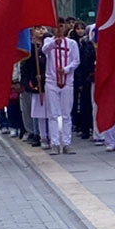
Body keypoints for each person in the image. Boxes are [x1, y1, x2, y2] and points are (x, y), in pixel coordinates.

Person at [41, 25, 81, 154]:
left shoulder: (72, 43)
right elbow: (45, 50)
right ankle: (55, 143)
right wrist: (54, 42)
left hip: (67, 81)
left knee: (66, 114)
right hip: (51, 81)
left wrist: (66, 69)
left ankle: (67, 143)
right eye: (56, 27)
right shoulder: (48, 41)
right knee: (52, 114)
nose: (59, 30)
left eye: (61, 27)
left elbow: (76, 60)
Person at [73, 23, 95, 141]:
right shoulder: (83, 45)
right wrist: (80, 81)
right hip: (86, 79)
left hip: (95, 79)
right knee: (85, 105)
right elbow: (79, 65)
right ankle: (85, 128)